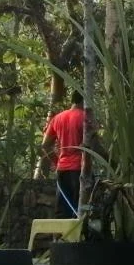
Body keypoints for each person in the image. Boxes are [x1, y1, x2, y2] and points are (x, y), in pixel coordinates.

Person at [41, 90, 86, 218]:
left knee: (62, 211)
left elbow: (45, 145)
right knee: (80, 210)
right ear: (84, 100)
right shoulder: (85, 117)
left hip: (62, 169)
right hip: (79, 169)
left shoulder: (58, 118)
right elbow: (94, 145)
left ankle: (59, 232)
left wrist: (57, 162)